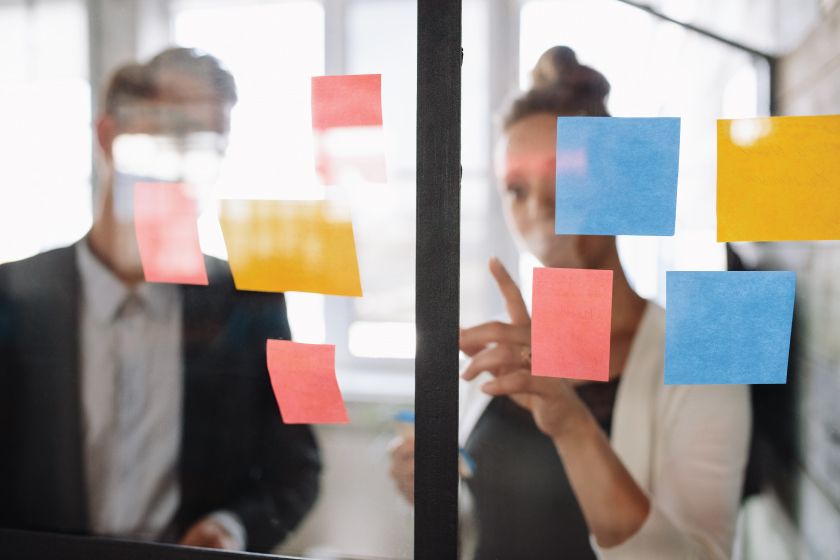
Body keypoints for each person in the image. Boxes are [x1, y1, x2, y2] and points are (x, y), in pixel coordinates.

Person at [390, 46, 750, 559]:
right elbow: (488, 524)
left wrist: (572, 423)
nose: (540, 205)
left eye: (565, 175)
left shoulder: (706, 352)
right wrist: (427, 495)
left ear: (620, 183)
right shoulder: (500, 352)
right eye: (517, 188)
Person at [0, 47, 321, 553]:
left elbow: (301, 467)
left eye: (211, 145)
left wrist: (233, 528)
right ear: (110, 138)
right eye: (172, 136)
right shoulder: (9, 297)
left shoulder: (258, 301)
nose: (190, 168)